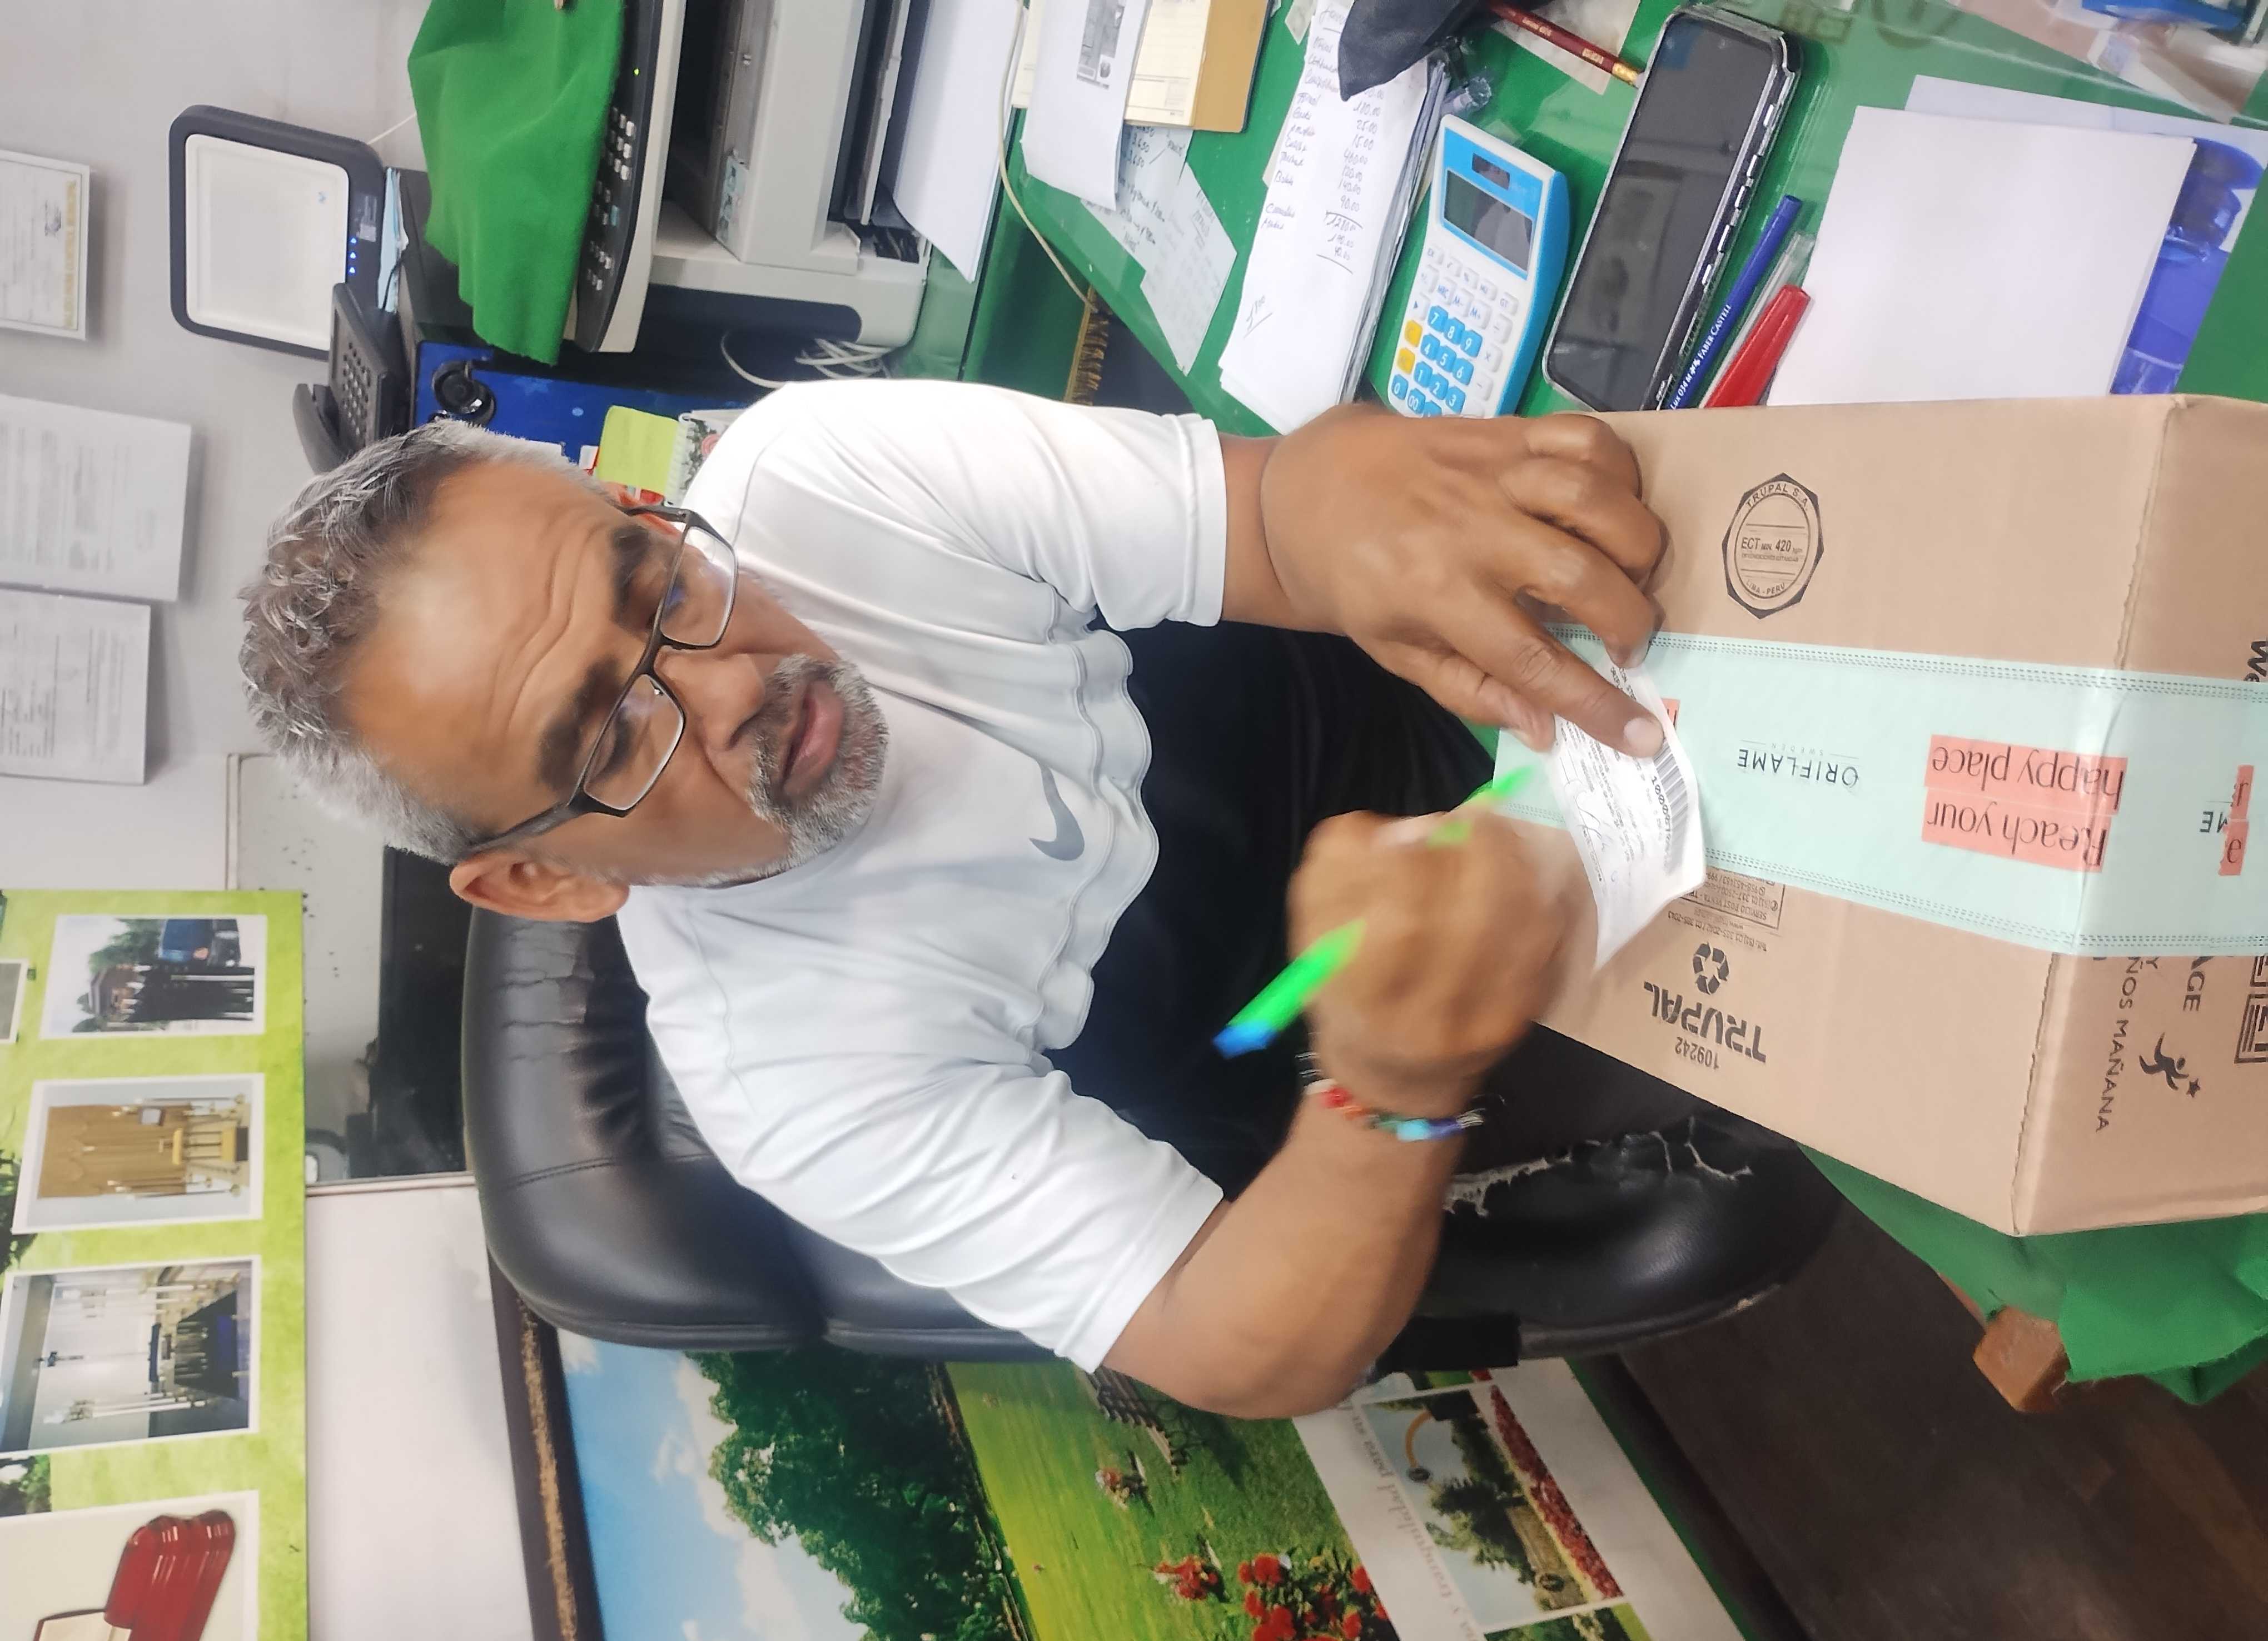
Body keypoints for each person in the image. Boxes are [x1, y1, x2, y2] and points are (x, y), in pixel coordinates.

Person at [243, 381, 1753, 1418]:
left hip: (1437, 693)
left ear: (643, 505)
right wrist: (1394, 1088)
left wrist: (1345, 489)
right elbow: (1230, 1340)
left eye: (659, 587)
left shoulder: (820, 473)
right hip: (1388, 1060)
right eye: (608, 739)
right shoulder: (788, 1081)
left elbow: (1276, 519)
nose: (735, 685)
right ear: (544, 877)